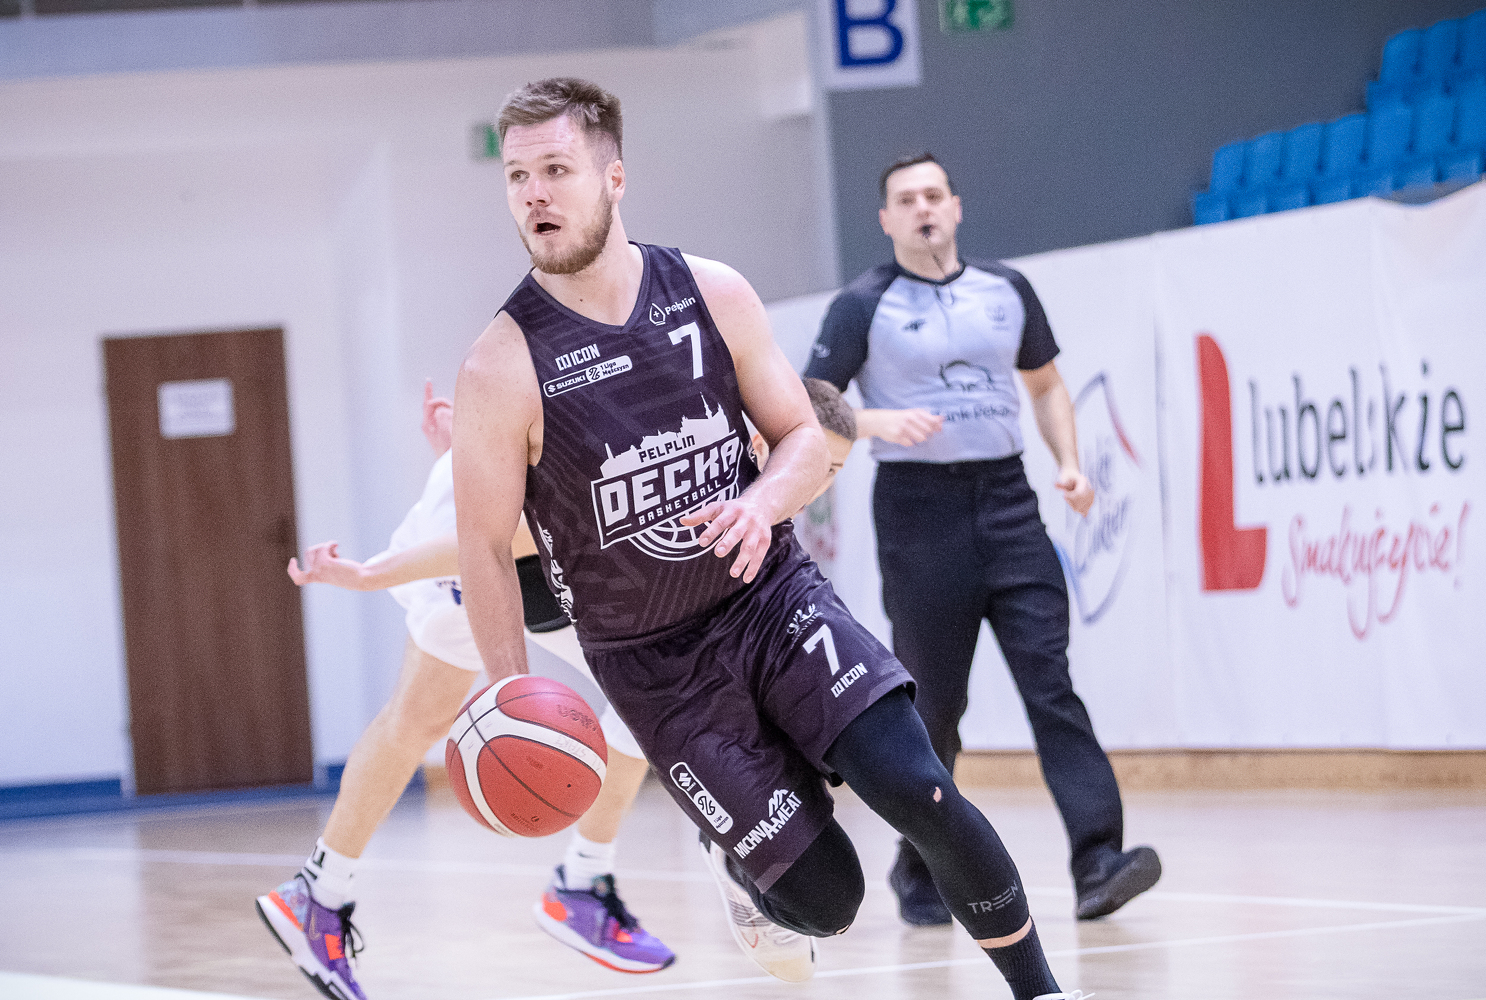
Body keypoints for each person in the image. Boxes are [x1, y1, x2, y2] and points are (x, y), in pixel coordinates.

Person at [453, 77, 1091, 1000]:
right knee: (829, 900)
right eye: (517, 177)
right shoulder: (501, 364)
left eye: (556, 170)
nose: (534, 195)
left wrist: (759, 506)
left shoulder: (711, 292)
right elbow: (482, 546)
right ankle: (744, 868)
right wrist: (509, 693)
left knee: (918, 786)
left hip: (770, 599)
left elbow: (801, 437)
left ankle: (1042, 991)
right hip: (655, 666)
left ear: (614, 177)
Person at [803, 152, 1161, 925]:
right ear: (886, 219)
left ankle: (1099, 860)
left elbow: (1046, 385)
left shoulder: (1006, 289)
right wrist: (876, 421)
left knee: (1051, 684)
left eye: (934, 195)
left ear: (956, 207)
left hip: (1009, 504)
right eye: (907, 199)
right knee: (934, 707)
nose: (923, 208)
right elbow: (811, 404)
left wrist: (1069, 463)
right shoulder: (862, 304)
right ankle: (919, 867)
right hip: (918, 513)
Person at [254, 383, 675, 1000]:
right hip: (471, 540)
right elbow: (492, 539)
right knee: (418, 721)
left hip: (518, 532)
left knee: (656, 697)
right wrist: (368, 574)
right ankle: (320, 892)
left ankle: (581, 882)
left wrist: (472, 445)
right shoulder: (632, 449)